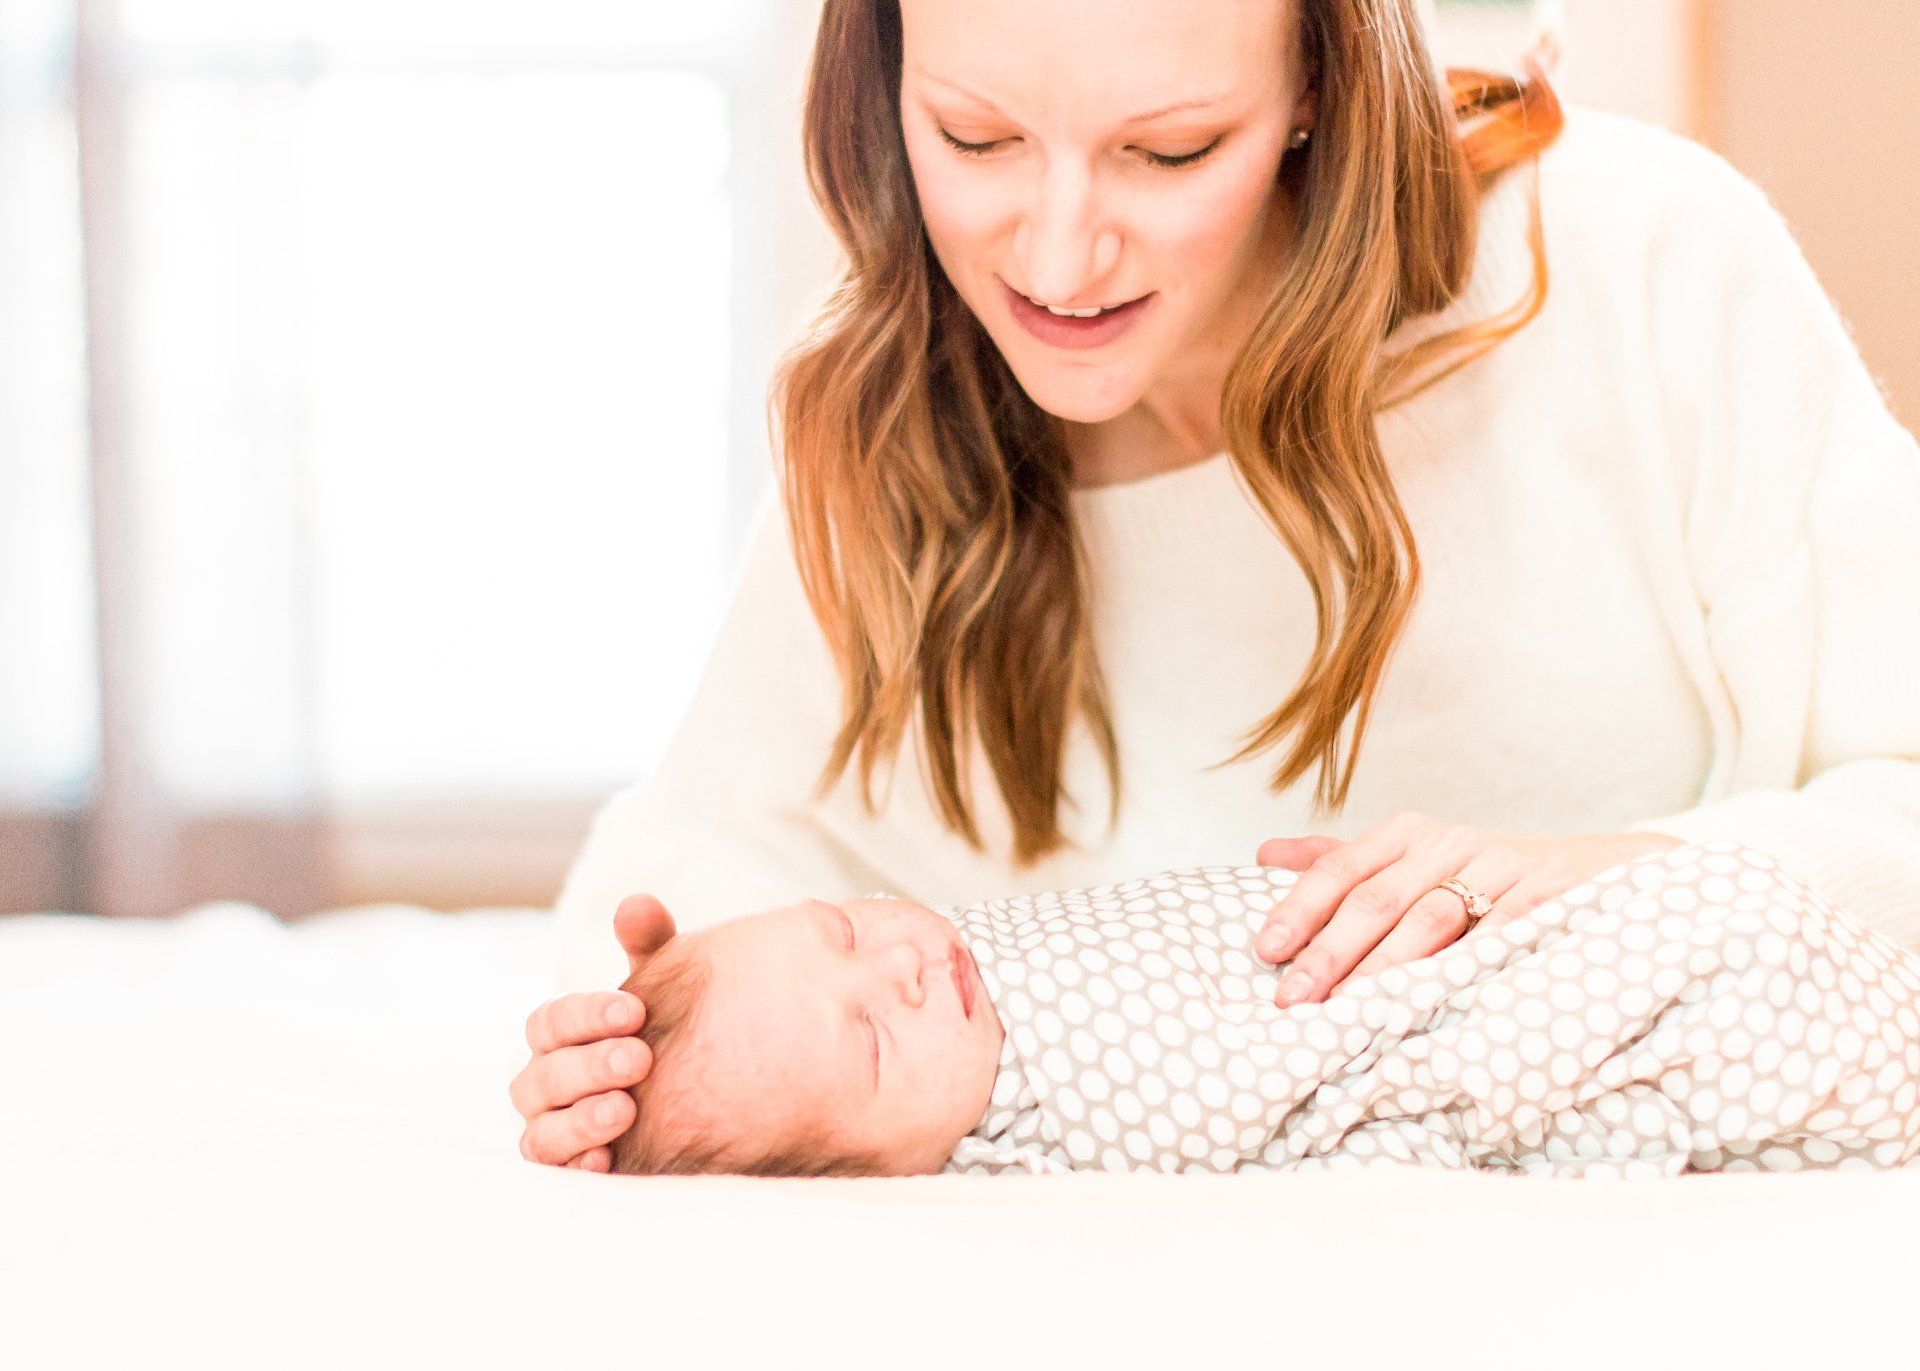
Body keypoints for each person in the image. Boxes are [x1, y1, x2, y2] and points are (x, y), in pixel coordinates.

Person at [509, 0, 1920, 1172]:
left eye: (1171, 151)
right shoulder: (892, 424)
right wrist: (616, 1051)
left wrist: (1606, 883)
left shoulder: (1641, 266)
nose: (1056, 259)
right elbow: (695, 909)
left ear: (1316, 81)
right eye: (974, 136)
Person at [601, 842, 1920, 1178]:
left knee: (1723, 937)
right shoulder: (1069, 1130)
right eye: (873, 1043)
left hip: (1649, 906)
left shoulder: (977, 967)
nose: (893, 966)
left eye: (842, 926)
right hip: (1702, 1009)